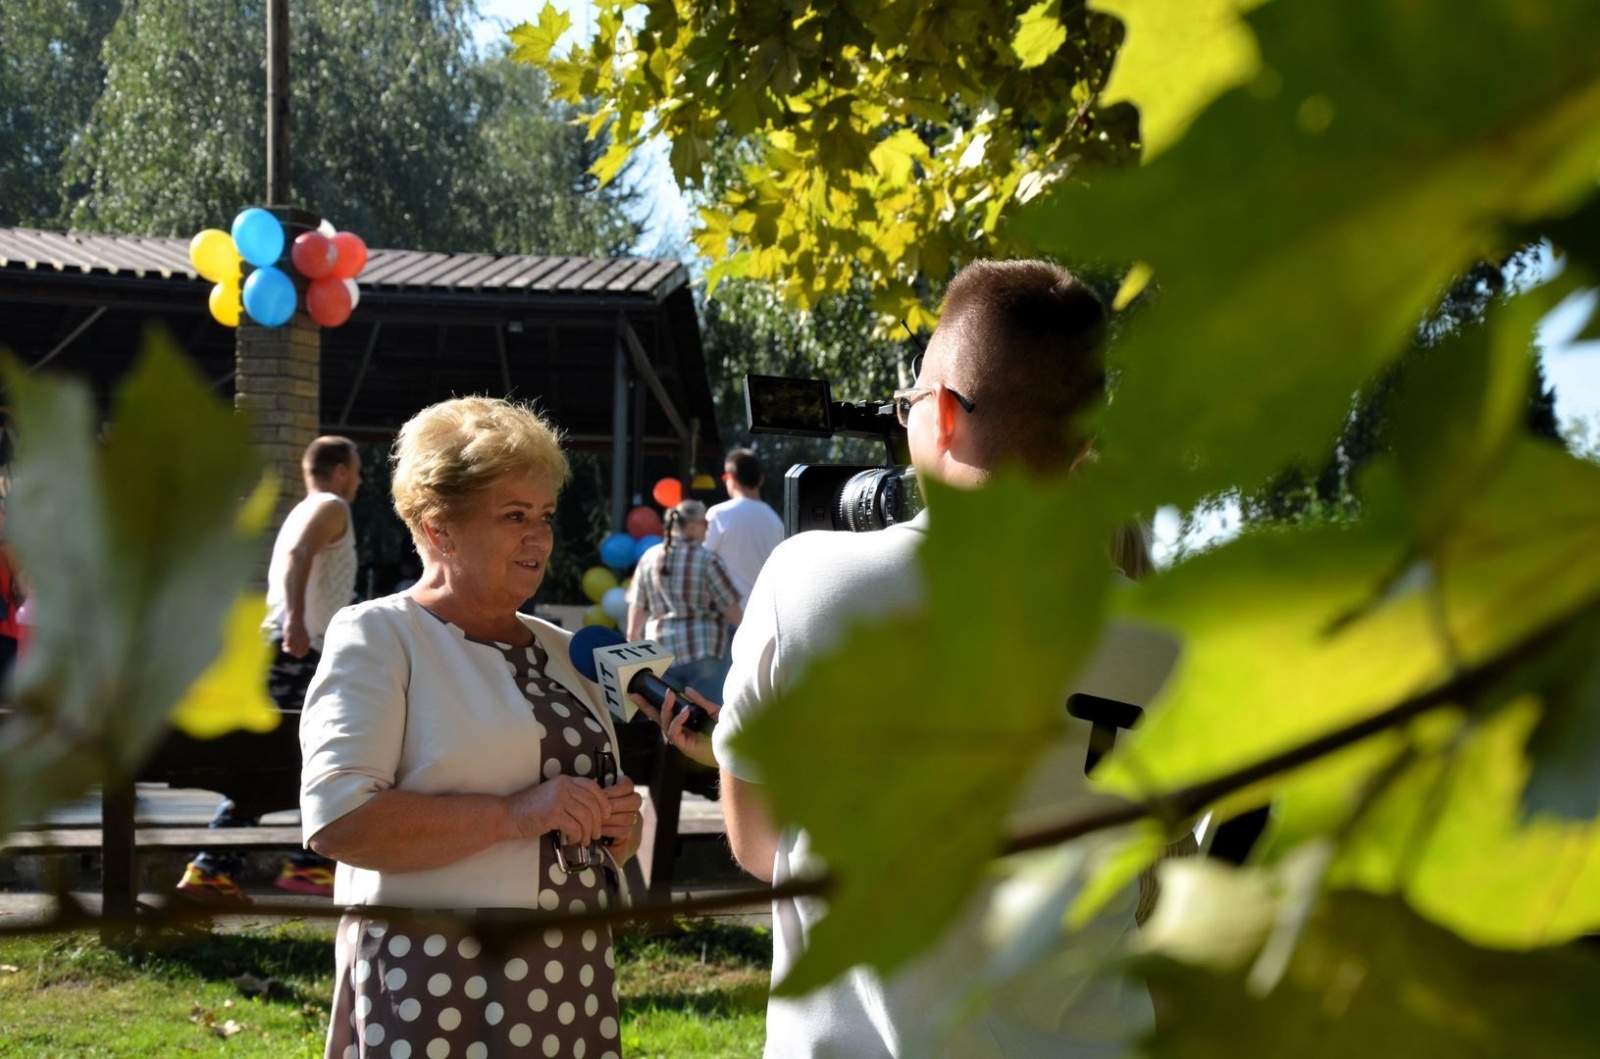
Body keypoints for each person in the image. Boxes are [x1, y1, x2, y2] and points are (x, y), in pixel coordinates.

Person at [639, 260, 1176, 1057]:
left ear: (948, 415)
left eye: (911, 401)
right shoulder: (1164, 640)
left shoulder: (806, 578)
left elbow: (760, 846)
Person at [299, 396, 643, 1059]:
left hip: (570, 969)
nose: (538, 537)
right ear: (437, 528)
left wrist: (616, 825)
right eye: (513, 516)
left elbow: (599, 840)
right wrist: (517, 813)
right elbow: (339, 820)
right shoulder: (379, 634)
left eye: (543, 515)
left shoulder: (560, 647)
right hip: (436, 974)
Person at [177, 435, 362, 903]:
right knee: (299, 757)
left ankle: (241, 867)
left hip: (286, 648)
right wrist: (296, 623)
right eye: (357, 470)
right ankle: (277, 866)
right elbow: (301, 555)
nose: (359, 480)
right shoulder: (332, 506)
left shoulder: (305, 508)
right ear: (340, 471)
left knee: (279, 761)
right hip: (297, 651)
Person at [625, 498, 743, 701]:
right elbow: (730, 608)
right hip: (705, 650)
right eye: (705, 524)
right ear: (690, 526)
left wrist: (634, 643)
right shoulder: (708, 560)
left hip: (660, 652)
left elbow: (636, 613)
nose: (708, 529)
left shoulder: (649, 558)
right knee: (707, 723)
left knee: (670, 721)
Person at [704, 448, 785, 609]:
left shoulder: (719, 514)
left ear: (731, 479)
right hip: (765, 613)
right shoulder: (775, 520)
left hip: (730, 613)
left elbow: (702, 560)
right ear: (760, 480)